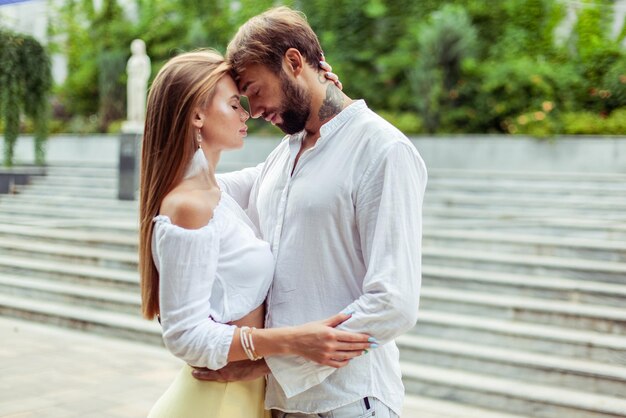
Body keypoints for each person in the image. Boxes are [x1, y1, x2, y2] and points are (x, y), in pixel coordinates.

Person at [193, 6, 428, 418]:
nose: (255, 110)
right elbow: (202, 191)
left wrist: (268, 358)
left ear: (293, 62)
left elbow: (394, 302)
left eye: (255, 90)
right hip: (284, 405)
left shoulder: (383, 150)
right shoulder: (283, 157)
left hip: (351, 401)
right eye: (241, 101)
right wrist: (198, 117)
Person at [138, 50, 374, 418]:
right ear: (197, 115)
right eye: (234, 104)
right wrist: (294, 341)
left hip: (249, 396)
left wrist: (319, 100)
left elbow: (296, 165)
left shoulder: (219, 193)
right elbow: (185, 335)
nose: (246, 113)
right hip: (216, 403)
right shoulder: (189, 205)